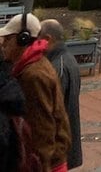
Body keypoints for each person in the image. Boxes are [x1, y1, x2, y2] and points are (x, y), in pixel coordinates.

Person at [0, 12, 70, 172]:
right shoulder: (33, 65)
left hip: (46, 164)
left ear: (22, 39)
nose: (4, 45)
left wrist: (42, 166)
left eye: (8, 39)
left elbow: (42, 128)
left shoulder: (33, 75)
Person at [39, 21, 82, 171]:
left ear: (48, 39)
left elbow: (55, 106)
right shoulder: (65, 59)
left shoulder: (59, 65)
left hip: (61, 141)